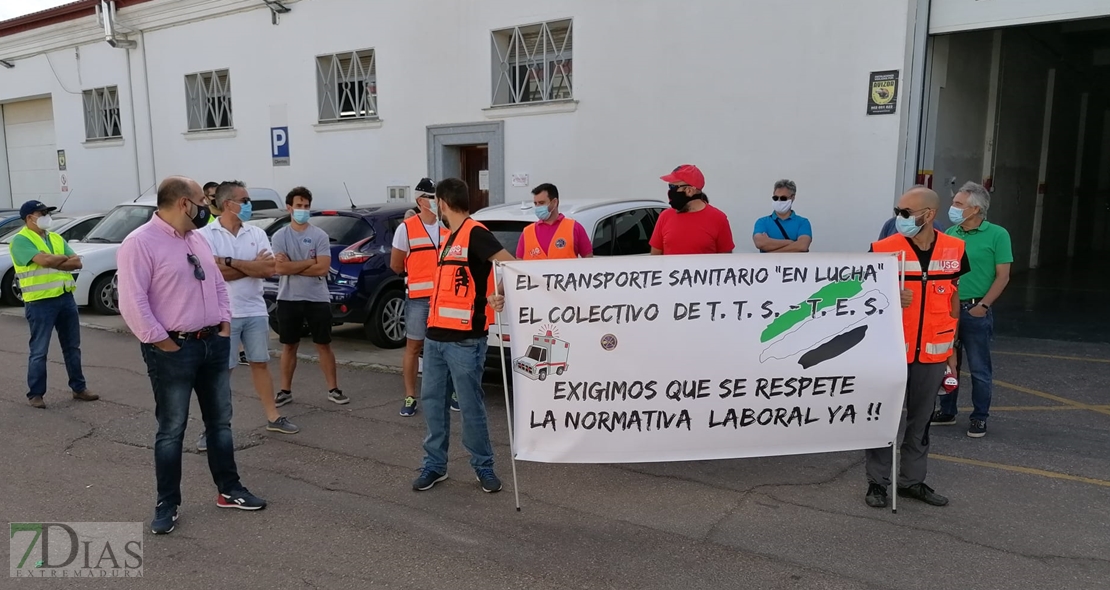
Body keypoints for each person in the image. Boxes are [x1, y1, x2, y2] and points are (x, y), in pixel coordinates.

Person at [117, 176, 266, 535]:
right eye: (203, 199)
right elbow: (133, 302)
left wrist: (225, 324)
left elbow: (216, 283)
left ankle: (229, 489)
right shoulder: (139, 243)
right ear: (184, 203)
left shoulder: (195, 238)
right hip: (172, 349)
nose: (207, 205)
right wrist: (163, 342)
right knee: (172, 430)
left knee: (220, 423)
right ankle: (167, 502)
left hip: (212, 343)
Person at [864, 187, 970, 510]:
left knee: (921, 421)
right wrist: (891, 299)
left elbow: (953, 301)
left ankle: (912, 481)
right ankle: (877, 483)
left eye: (907, 213)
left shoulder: (954, 249)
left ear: (929, 215)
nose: (900, 218)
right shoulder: (882, 250)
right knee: (884, 419)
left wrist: (952, 352)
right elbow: (862, 300)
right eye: (898, 210)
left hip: (933, 353)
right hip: (892, 352)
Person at [412, 177, 513, 494]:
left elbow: (511, 265)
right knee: (433, 405)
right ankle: (435, 465)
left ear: (441, 203)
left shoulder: (474, 233)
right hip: (436, 337)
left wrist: (498, 294)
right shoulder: (448, 237)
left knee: (470, 407)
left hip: (466, 340)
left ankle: (484, 466)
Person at [199, 180, 299, 453]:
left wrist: (229, 262)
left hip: (255, 310)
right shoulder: (206, 235)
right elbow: (212, 273)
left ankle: (273, 417)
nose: (248, 205)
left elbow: (269, 268)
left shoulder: (255, 232)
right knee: (222, 371)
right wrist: (249, 267)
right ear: (227, 203)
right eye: (244, 200)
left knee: (260, 364)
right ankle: (212, 428)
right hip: (224, 313)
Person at [932, 181, 1013, 438]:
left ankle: (979, 416)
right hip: (948, 309)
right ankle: (947, 410)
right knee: (947, 363)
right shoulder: (949, 234)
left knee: (979, 368)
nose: (952, 208)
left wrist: (983, 306)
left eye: (959, 204)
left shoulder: (998, 235)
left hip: (976, 308)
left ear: (976, 209)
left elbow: (1003, 276)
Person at [10, 200, 96, 409]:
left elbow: (77, 262)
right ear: (30, 217)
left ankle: (79, 388)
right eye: (42, 213)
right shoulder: (20, 241)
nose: (47, 216)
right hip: (40, 303)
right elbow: (45, 262)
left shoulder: (55, 238)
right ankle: (36, 394)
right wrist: (58, 259)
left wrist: (52, 259)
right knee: (39, 350)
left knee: (72, 347)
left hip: (65, 298)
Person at [272, 187, 346, 406]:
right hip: (288, 298)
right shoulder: (280, 236)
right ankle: (285, 390)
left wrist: (293, 265)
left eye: (306, 206)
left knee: (323, 344)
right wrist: (308, 263)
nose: (303, 210)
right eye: (298, 206)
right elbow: (280, 269)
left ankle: (333, 389)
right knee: (289, 345)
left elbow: (322, 268)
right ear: (289, 208)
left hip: (317, 298)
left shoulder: (319, 235)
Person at [390, 177, 455, 417]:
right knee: (414, 346)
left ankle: (451, 392)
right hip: (419, 298)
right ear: (421, 201)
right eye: (434, 198)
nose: (438, 202)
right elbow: (396, 264)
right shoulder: (406, 228)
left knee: (447, 347)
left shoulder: (447, 226)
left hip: (446, 298)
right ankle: (409, 396)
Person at [649, 164, 734, 255]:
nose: (670, 192)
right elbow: (655, 258)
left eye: (672, 187)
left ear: (690, 190)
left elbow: (726, 261)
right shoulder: (665, 216)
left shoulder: (718, 219)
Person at [516, 183, 592, 259]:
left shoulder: (574, 228)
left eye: (542, 203)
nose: (538, 207)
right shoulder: (527, 232)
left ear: (554, 202)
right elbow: (517, 263)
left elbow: (588, 260)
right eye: (536, 203)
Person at [752, 179, 812, 253]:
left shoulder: (803, 222)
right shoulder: (762, 222)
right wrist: (790, 242)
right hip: (769, 264)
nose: (779, 201)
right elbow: (760, 243)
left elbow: (802, 246)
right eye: (776, 198)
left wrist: (771, 252)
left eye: (783, 198)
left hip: (795, 264)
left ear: (792, 198)